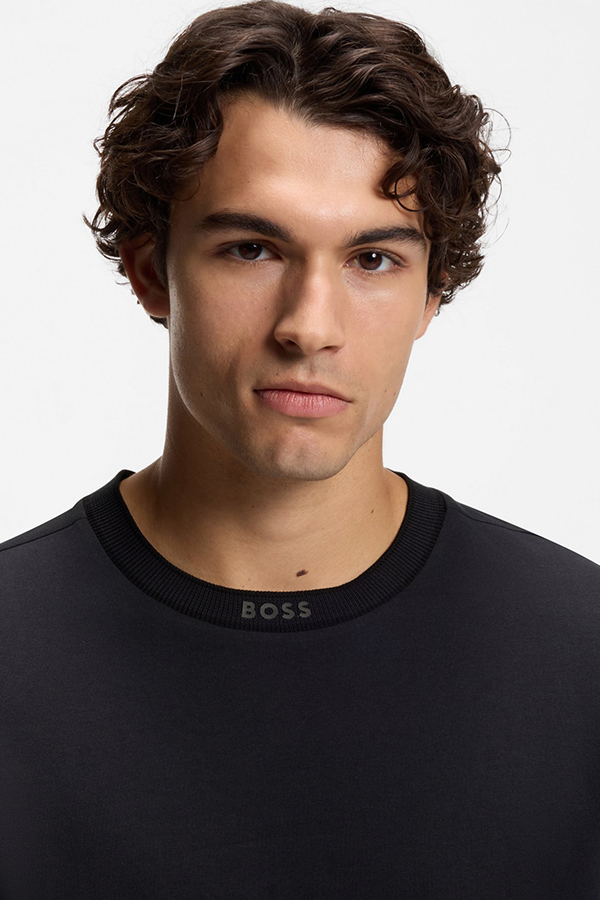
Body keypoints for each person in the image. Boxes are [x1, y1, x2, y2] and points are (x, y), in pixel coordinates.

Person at [1, 1, 599, 896]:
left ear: (434, 292)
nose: (310, 327)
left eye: (373, 260)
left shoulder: (580, 653)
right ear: (150, 271)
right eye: (252, 249)